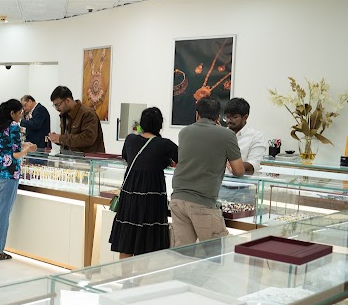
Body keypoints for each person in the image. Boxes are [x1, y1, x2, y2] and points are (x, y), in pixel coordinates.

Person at [170, 97, 245, 247]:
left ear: (197, 114)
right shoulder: (227, 135)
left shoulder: (184, 132)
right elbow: (238, 170)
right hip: (203, 202)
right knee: (214, 253)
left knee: (183, 253)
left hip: (177, 200)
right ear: (218, 117)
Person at [109, 107, 179, 258]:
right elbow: (182, 161)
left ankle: (125, 274)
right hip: (152, 196)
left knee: (127, 239)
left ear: (142, 123)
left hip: (130, 193)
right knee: (147, 240)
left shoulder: (130, 139)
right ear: (160, 125)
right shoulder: (164, 144)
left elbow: (126, 157)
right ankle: (141, 274)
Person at [0, 99, 38, 261]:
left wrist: (22, 145)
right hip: (9, 174)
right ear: (12, 113)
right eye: (20, 113)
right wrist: (28, 149)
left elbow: (3, 147)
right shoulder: (14, 126)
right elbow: (15, 154)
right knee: (3, 212)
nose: (21, 116)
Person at [47, 85, 105, 153]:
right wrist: (57, 139)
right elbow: (70, 140)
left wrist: (61, 138)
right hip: (67, 157)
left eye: (57, 105)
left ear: (68, 101)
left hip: (85, 158)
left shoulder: (87, 114)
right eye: (54, 105)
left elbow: (88, 138)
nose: (56, 108)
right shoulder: (64, 115)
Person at [224, 97, 264, 175]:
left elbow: (254, 164)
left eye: (235, 117)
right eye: (227, 117)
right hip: (220, 180)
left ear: (245, 117)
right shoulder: (222, 134)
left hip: (243, 181)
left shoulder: (256, 137)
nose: (229, 120)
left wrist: (235, 166)